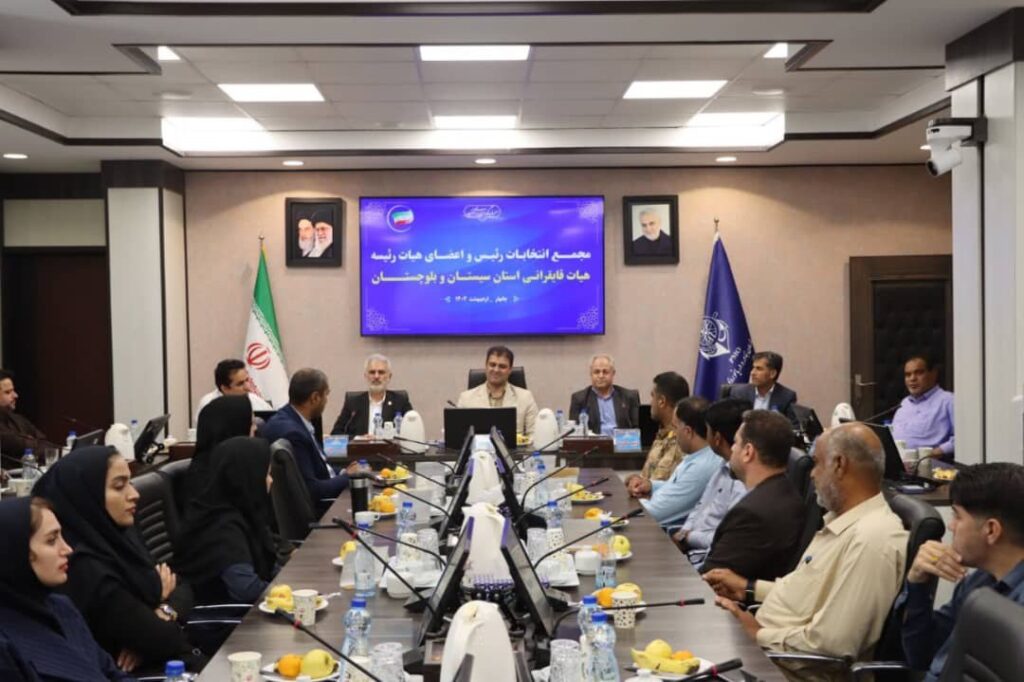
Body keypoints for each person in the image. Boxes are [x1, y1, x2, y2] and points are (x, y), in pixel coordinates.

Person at [705, 423, 908, 679]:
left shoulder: (873, 540)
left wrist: (756, 634)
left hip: (786, 670)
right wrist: (748, 588)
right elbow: (810, 594)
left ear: (839, 464)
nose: (811, 474)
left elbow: (833, 645)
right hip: (770, 656)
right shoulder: (842, 522)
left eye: (817, 463)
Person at [33, 446, 200, 674]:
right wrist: (155, 621)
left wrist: (164, 611)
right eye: (119, 486)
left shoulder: (116, 538)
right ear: (87, 496)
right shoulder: (83, 566)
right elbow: (164, 639)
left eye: (130, 482)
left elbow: (183, 586)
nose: (134, 494)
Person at [897, 462, 1024, 682]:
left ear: (991, 530)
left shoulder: (1016, 609)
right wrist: (917, 583)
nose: (951, 526)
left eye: (957, 516)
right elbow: (922, 655)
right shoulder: (981, 580)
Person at [0, 496, 135, 681]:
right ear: (17, 552)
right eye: (51, 540)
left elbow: (111, 673)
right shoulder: (5, 643)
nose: (67, 549)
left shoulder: (61, 608)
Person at [699, 410, 805, 580]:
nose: (732, 448)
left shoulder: (752, 514)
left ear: (748, 452)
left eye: (735, 442)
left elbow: (709, 578)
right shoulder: (786, 494)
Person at [174, 437, 280, 604]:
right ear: (247, 477)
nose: (271, 480)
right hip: (226, 617)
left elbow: (269, 566)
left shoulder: (242, 511)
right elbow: (246, 589)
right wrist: (288, 593)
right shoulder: (221, 527)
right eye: (266, 474)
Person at [260, 368, 358, 513]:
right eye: (326, 395)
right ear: (315, 398)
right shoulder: (294, 434)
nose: (326, 401)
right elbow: (312, 489)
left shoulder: (289, 418)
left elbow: (321, 467)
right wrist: (349, 476)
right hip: (321, 511)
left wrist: (344, 471)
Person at [672, 398, 750, 566]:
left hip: (707, 559)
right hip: (689, 549)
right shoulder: (722, 465)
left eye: (707, 430)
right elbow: (701, 506)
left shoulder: (742, 481)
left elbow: (726, 539)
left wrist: (689, 537)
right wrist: (684, 532)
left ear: (717, 438)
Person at [627, 397, 719, 531]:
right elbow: (677, 486)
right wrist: (651, 486)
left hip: (665, 536)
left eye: (675, 427)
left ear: (688, 432)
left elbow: (653, 513)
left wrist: (624, 505)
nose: (673, 434)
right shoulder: (697, 456)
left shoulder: (701, 467)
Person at [184, 395, 254, 509]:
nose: (255, 429)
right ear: (236, 428)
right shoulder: (208, 481)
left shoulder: (230, 464)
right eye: (251, 424)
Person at [625, 371, 689, 489]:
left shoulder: (681, 441)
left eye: (652, 396)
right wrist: (636, 479)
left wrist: (641, 486)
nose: (651, 403)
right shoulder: (662, 435)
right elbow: (648, 478)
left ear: (661, 401)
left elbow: (663, 487)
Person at [457, 346, 539, 438]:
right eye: (492, 365)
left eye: (502, 366)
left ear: (510, 370)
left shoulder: (526, 397)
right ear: (486, 366)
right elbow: (458, 438)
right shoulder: (466, 399)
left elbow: (535, 436)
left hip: (514, 448)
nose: (496, 370)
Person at [330, 354, 414, 437]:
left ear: (389, 376)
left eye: (381, 372)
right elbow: (336, 433)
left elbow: (413, 431)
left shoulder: (400, 401)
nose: (376, 376)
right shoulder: (353, 403)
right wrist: (359, 439)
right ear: (365, 376)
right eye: (372, 372)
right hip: (360, 446)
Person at [890, 354, 954, 461]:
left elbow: (962, 439)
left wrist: (939, 451)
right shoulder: (905, 402)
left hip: (928, 464)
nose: (912, 379)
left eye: (919, 373)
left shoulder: (948, 400)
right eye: (908, 375)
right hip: (896, 462)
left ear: (933, 374)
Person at [567, 354, 640, 436]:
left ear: (613, 373)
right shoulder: (579, 399)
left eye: (605, 372)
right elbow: (574, 432)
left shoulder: (629, 396)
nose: (601, 376)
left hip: (623, 442)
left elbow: (638, 428)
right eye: (596, 372)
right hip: (594, 443)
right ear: (591, 374)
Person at [723, 351, 798, 421]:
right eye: (753, 368)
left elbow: (793, 426)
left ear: (772, 374)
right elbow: (729, 423)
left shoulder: (787, 397)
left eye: (759, 369)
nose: (752, 373)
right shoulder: (739, 393)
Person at [194, 359, 272, 423]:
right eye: (240, 384)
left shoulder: (254, 399)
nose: (248, 387)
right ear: (224, 388)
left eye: (247, 380)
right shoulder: (208, 403)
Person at [0, 369, 49, 462]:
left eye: (13, 391)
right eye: (8, 392)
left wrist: (31, 443)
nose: (16, 395)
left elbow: (43, 441)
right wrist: (31, 442)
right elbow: (21, 445)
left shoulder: (18, 418)